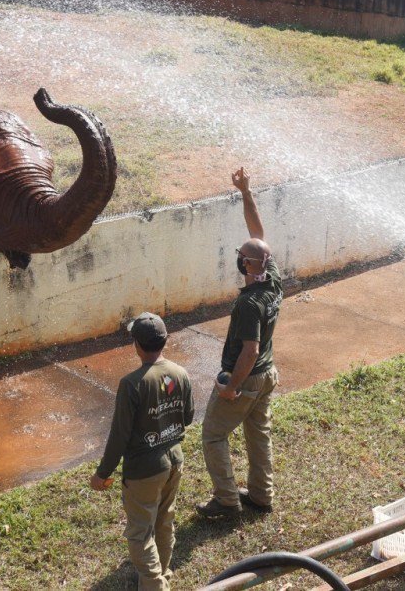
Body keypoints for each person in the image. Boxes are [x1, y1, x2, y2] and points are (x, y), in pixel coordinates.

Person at [197, 168, 283, 518]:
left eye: (241, 255)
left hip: (247, 377)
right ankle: (261, 495)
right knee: (257, 433)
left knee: (213, 435)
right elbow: (258, 234)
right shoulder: (273, 279)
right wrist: (245, 192)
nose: (238, 257)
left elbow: (250, 350)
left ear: (245, 264)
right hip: (267, 376)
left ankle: (227, 500)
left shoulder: (249, 304)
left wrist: (231, 387)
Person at [89, 312, 194, 590]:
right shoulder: (180, 373)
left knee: (139, 533)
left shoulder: (132, 384)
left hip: (144, 470)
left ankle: (154, 585)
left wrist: (102, 474)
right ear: (166, 340)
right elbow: (189, 416)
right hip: (174, 460)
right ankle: (162, 572)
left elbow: (119, 435)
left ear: (136, 344)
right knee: (164, 520)